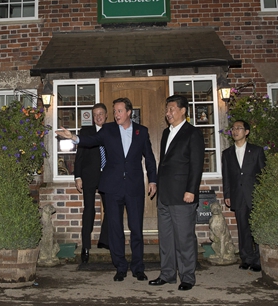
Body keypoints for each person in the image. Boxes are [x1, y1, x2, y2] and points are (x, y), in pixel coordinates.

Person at [56, 97, 157, 282]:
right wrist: (73, 137)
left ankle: (138, 267)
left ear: (128, 112)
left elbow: (149, 157)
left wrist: (153, 180)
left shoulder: (141, 132)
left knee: (136, 228)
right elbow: (91, 140)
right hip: (112, 187)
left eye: (119, 111)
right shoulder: (108, 130)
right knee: (115, 228)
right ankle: (120, 266)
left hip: (134, 186)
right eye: (115, 111)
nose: (116, 114)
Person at [149, 95, 204, 291]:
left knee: (184, 239)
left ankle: (187, 276)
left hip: (183, 195)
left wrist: (191, 190)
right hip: (165, 195)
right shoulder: (166, 133)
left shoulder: (192, 133)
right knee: (166, 239)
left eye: (172, 109)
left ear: (183, 111)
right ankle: (167, 274)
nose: (168, 113)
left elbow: (196, 165)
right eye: (167, 109)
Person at [221, 119, 265, 272]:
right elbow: (226, 176)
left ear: (246, 132)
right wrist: (227, 194)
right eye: (233, 128)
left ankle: (258, 260)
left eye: (239, 128)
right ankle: (246, 258)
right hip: (237, 195)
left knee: (257, 228)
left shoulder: (257, 151)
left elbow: (263, 174)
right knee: (243, 228)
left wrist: (263, 194)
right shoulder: (227, 154)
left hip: (255, 195)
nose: (235, 131)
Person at [74, 103, 110, 264]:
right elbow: (79, 156)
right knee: (89, 209)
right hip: (89, 176)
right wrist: (78, 176)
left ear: (106, 115)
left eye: (101, 114)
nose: (98, 117)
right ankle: (86, 247)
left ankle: (105, 240)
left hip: (109, 176)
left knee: (111, 209)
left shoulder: (112, 130)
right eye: (95, 114)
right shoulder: (85, 132)